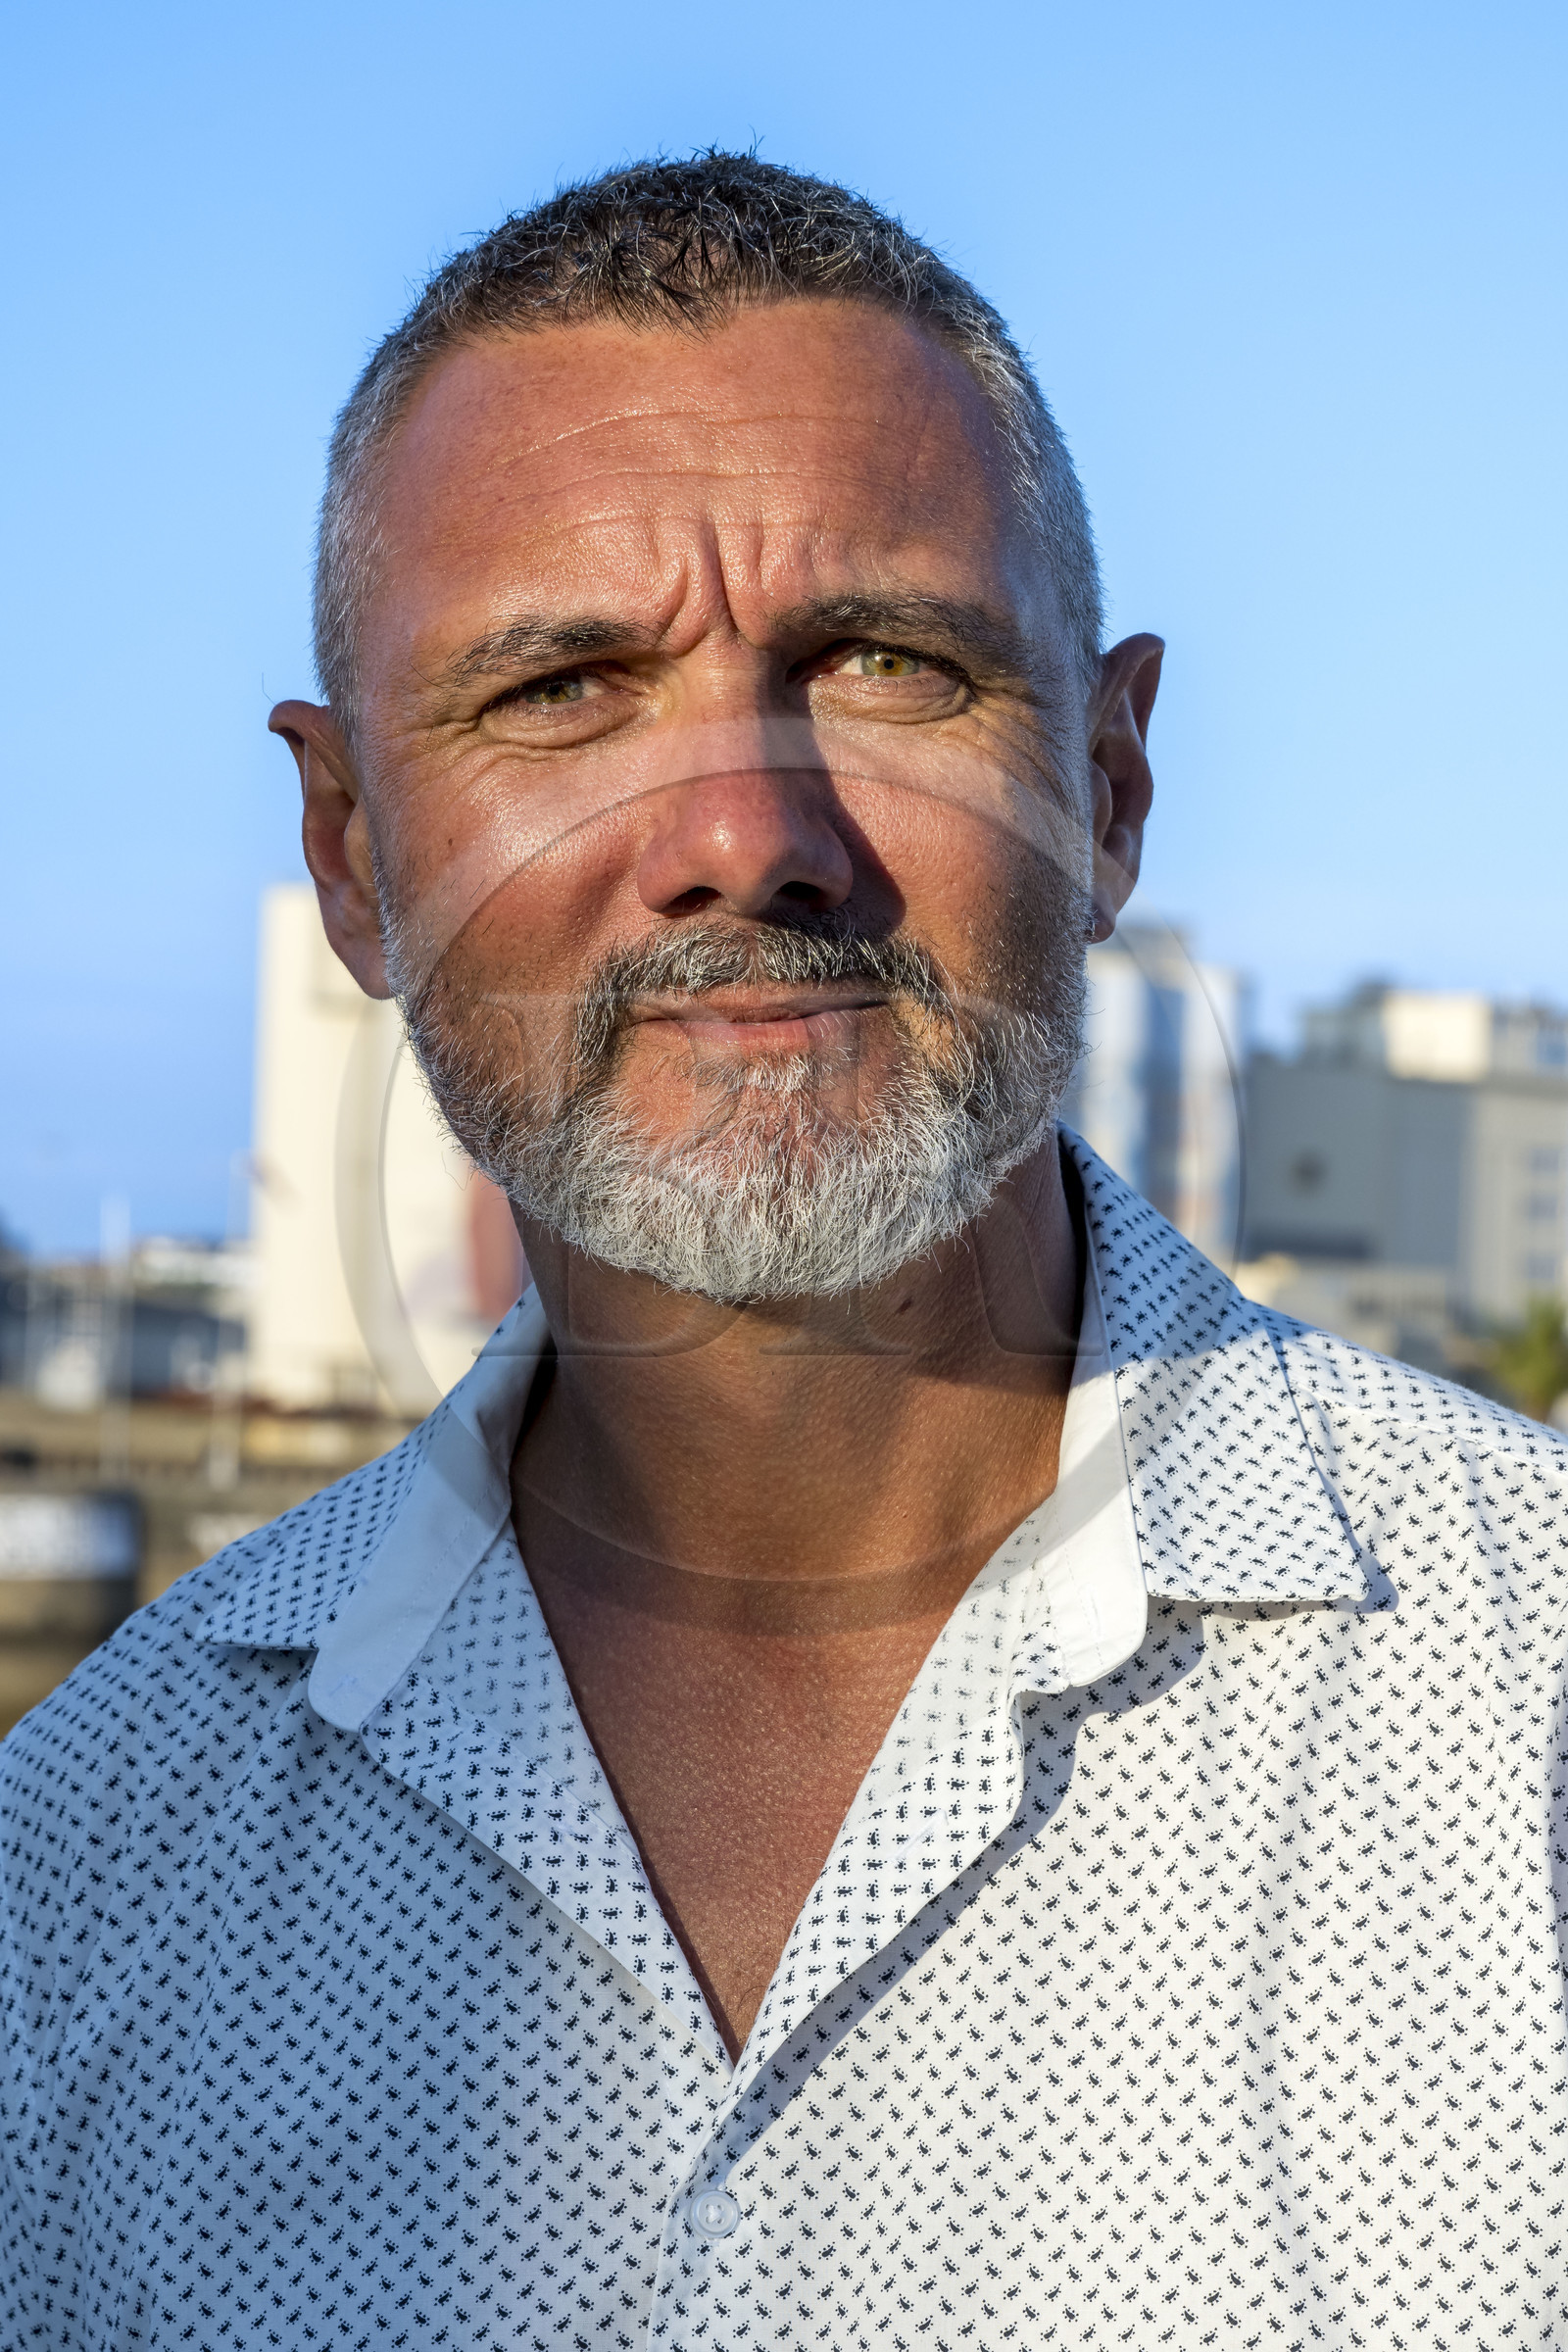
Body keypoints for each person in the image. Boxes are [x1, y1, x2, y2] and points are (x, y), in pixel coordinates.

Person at [3, 156, 1565, 2352]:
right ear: (350, 856)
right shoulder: (75, 1883)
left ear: (1107, 789)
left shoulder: (1533, 1722)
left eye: (883, 662)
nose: (742, 835)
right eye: (558, 692)